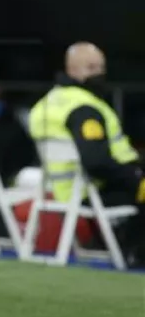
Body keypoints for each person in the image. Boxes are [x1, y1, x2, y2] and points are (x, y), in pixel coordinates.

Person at [28, 42, 144, 265]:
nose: (99, 74)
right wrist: (135, 178)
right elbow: (96, 161)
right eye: (91, 68)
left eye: (101, 68)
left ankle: (120, 244)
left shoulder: (47, 102)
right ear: (72, 69)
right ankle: (136, 254)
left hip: (61, 190)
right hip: (91, 191)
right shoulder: (84, 107)